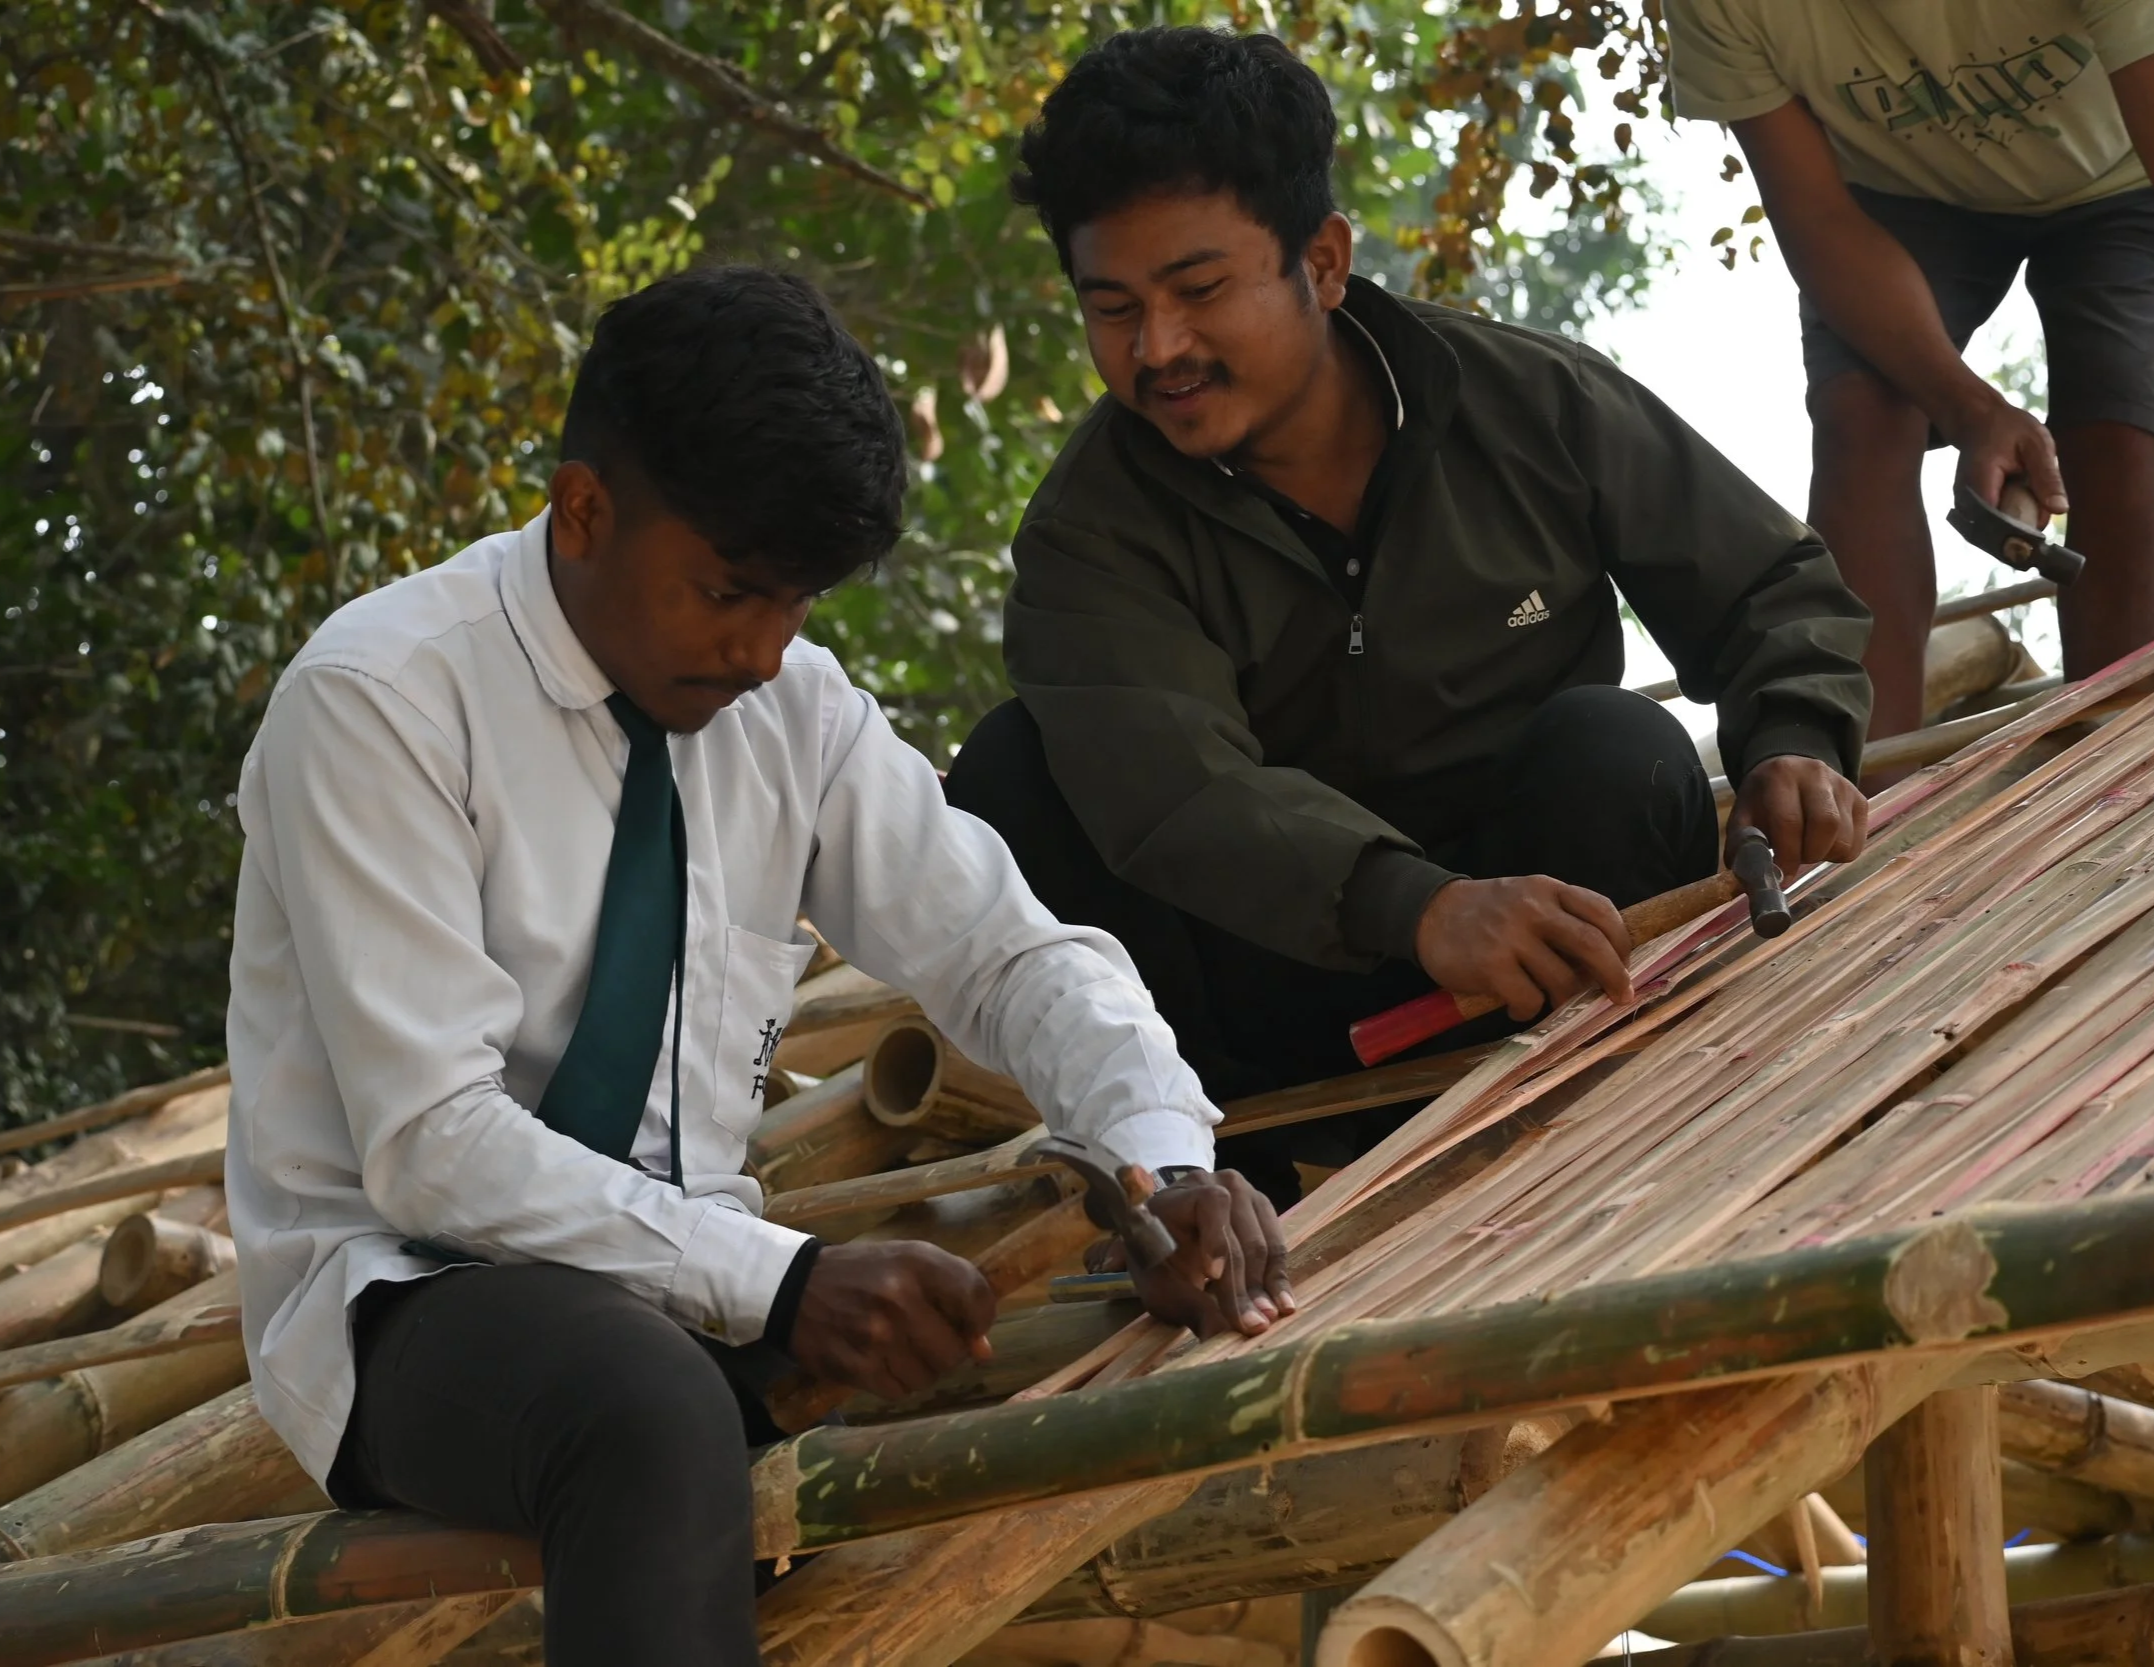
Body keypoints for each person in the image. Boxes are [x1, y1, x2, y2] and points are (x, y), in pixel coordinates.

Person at [224, 268, 1289, 1666]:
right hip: (410, 1294)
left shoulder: (793, 709)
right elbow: (434, 1148)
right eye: (728, 591)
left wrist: (1166, 1158)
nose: (762, 647)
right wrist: (782, 1282)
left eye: (794, 601)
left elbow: (1012, 951)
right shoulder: (377, 700)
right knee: (650, 1407)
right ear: (583, 508)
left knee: (1006, 1356)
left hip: (695, 1277)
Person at [941, 28, 1876, 1206]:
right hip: (1267, 1030)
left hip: (1553, 963)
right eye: (1112, 308)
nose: (1156, 350)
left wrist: (1792, 734)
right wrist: (1417, 905)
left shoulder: (1529, 399)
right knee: (1010, 769)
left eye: (1197, 291)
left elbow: (1767, 584)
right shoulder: (1088, 534)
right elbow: (1175, 792)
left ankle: (1604, 1126)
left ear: (1322, 262)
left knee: (1619, 746)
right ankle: (1224, 1192)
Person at [1666, 1, 2154, 742]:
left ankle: (2112, 790)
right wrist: (1969, 410)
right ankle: (1866, 817)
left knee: (2126, 434)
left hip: (2123, 177)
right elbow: (1820, 220)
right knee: (1860, 419)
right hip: (1900, 192)